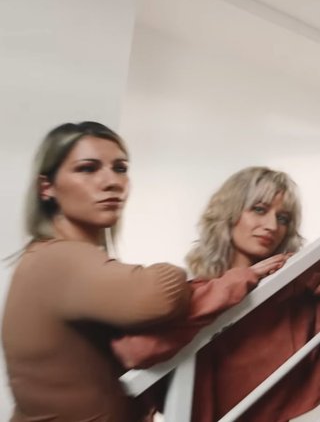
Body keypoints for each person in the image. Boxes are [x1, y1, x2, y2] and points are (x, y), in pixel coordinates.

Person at [112, 167, 320, 422]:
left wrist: (305, 269)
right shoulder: (199, 292)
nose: (272, 226)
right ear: (229, 213)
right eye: (259, 209)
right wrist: (242, 279)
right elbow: (135, 349)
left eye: (283, 218)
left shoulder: (299, 291)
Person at [2, 121, 190, 421]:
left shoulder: (46, 255)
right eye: (88, 168)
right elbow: (161, 293)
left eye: (120, 168)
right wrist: (182, 275)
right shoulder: (59, 259)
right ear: (47, 188)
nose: (112, 181)